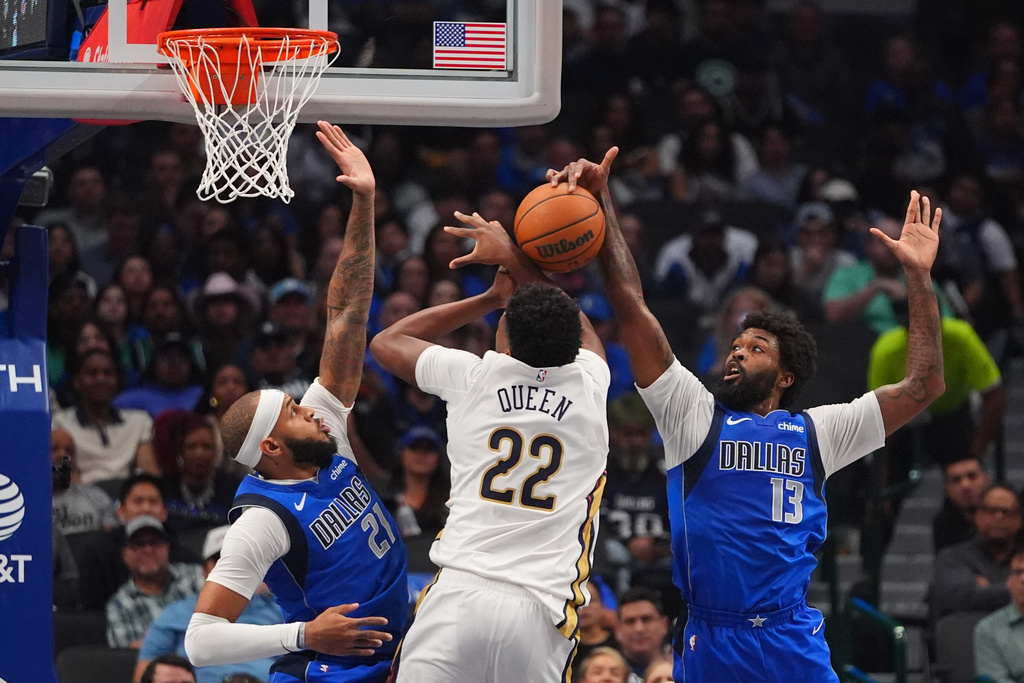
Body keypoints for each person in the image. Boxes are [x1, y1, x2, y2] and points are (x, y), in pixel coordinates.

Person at [552, 147, 946, 681]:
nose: (738, 351)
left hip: (790, 635)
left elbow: (924, 386)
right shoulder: (692, 416)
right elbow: (631, 305)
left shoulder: (820, 432)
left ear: (785, 378)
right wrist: (603, 202)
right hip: (712, 636)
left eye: (756, 347)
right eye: (736, 344)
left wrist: (918, 276)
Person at [183, 122, 406, 683]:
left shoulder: (321, 434)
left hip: (392, 656)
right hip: (331, 670)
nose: (309, 408)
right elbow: (200, 642)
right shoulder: (261, 521)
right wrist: (304, 635)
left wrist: (364, 200)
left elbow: (346, 315)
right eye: (293, 411)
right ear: (272, 446)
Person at [369, 210, 610, 682]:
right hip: (541, 607)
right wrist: (519, 264)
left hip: (458, 593)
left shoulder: (476, 375)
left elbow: (387, 340)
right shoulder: (591, 383)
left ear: (506, 340)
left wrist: (490, 295)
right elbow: (582, 331)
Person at [135, 526, 284, 683]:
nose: (231, 566)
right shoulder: (173, 614)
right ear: (204, 570)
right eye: (219, 560)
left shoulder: (280, 611)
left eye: (239, 558)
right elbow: (145, 675)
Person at [77, 473, 201, 610]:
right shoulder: (98, 553)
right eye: (138, 501)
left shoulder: (186, 558)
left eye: (153, 502)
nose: (146, 508)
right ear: (121, 512)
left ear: (165, 512)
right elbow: (92, 611)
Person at [106, 515, 205, 648]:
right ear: (125, 555)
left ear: (167, 548)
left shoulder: (195, 574)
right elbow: (127, 654)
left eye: (155, 542)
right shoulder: (119, 605)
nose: (148, 550)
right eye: (139, 544)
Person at [930, 484, 1022, 622]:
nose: (998, 516)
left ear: (1019, 520)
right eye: (991, 510)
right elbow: (959, 599)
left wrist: (987, 589)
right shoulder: (953, 557)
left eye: (1006, 511)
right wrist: (1016, 590)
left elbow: (975, 598)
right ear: (977, 516)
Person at [974, 544, 1024, 682]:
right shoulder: (989, 629)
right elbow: (995, 679)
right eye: (1017, 573)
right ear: (1008, 582)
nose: (1023, 579)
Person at [933, 456, 992, 553]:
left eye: (972, 476)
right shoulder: (943, 524)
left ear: (987, 480)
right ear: (947, 489)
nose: (965, 485)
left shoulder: (1011, 513)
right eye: (956, 480)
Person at [614, 588, 671, 679]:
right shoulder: (607, 675)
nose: (639, 629)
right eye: (630, 621)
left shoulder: (685, 666)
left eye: (646, 619)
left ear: (664, 624)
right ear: (617, 630)